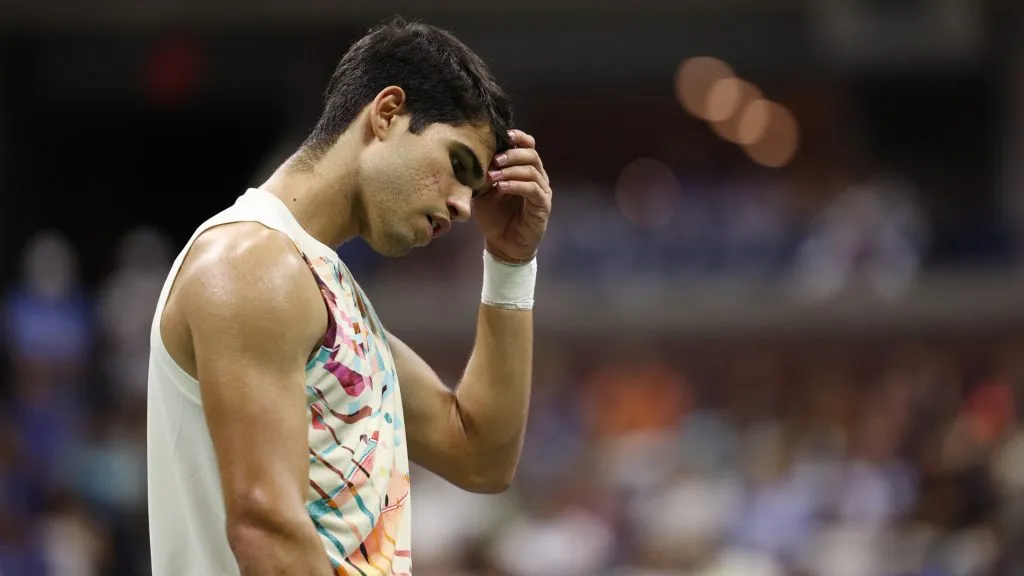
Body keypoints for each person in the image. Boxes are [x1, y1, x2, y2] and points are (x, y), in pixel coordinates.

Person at [146, 18, 553, 576]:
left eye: (476, 189)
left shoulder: (320, 285)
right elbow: (268, 528)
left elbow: (479, 454)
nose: (463, 205)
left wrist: (511, 262)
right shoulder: (253, 264)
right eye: (458, 165)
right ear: (387, 114)